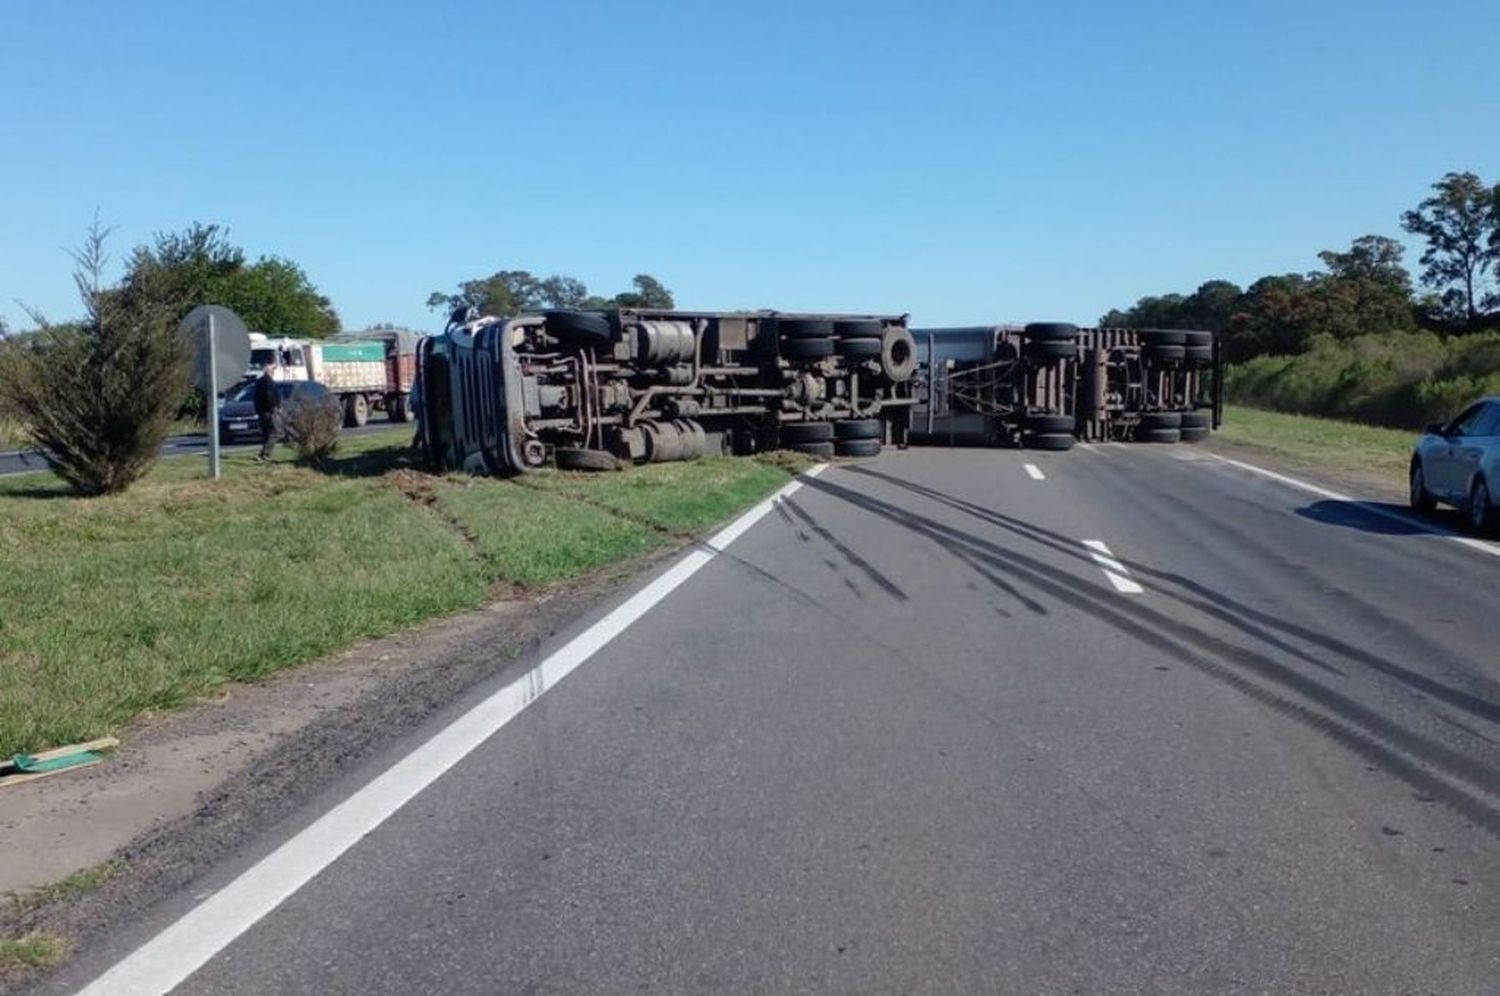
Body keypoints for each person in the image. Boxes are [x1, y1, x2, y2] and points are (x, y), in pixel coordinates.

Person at [253, 362, 281, 462]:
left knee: (266, 434)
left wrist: (258, 410)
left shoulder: (259, 382)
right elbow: (270, 396)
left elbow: (256, 398)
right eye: (273, 370)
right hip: (269, 411)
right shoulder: (269, 382)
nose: (274, 372)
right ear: (270, 371)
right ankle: (265, 454)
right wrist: (274, 407)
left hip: (261, 412)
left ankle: (262, 454)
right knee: (275, 432)